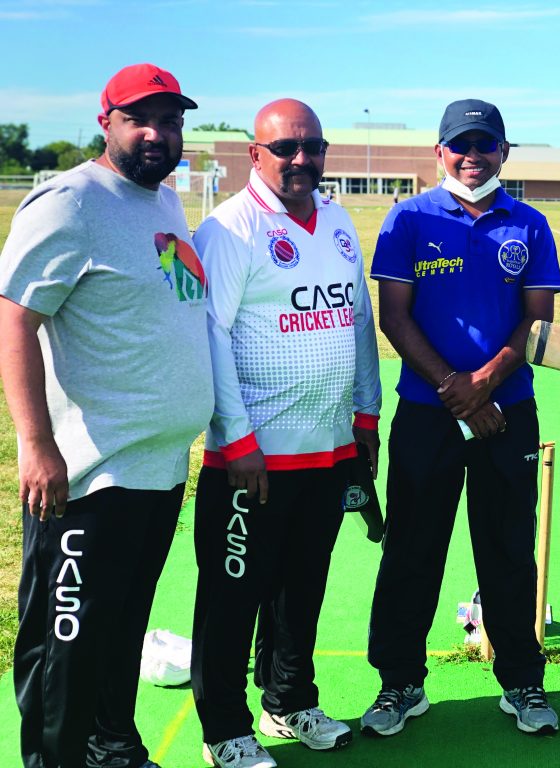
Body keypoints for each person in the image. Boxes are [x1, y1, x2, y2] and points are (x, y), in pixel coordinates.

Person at [0, 63, 213, 768]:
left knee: (123, 628)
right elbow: (14, 319)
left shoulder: (161, 202)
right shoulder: (69, 203)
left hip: (156, 469)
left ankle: (114, 749)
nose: (158, 133)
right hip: (91, 477)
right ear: (107, 123)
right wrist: (36, 443)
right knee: (67, 646)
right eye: (140, 119)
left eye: (171, 120)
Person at [189, 99, 382, 768]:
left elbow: (356, 320)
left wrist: (366, 415)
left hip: (326, 450)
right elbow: (208, 335)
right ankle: (223, 728)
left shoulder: (337, 220)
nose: (300, 160)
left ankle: (289, 700)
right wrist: (236, 440)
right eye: (284, 149)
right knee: (232, 591)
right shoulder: (229, 229)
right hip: (252, 459)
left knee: (303, 585)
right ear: (255, 155)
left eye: (311, 147)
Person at [362, 99, 560, 737]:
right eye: (459, 145)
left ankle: (523, 682)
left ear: (504, 151)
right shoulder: (409, 218)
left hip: (507, 412)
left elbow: (537, 318)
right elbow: (394, 316)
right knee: (413, 548)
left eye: (485, 144)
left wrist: (483, 387)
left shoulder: (527, 223)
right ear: (439, 151)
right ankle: (399, 684)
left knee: (507, 547)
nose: (471, 156)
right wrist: (455, 388)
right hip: (427, 412)